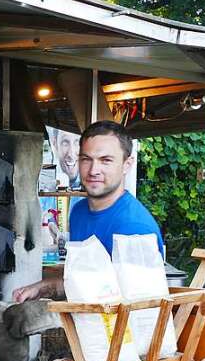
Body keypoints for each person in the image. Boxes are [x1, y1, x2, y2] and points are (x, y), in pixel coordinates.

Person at [14, 120, 162, 302]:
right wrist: (44, 288)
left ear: (127, 164)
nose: (93, 170)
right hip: (85, 321)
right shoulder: (78, 212)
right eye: (86, 159)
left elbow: (137, 308)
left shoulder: (134, 228)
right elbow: (84, 283)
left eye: (106, 160)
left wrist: (50, 291)